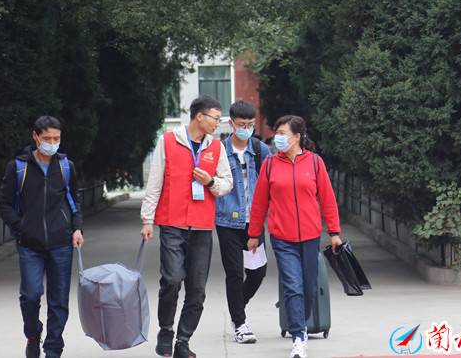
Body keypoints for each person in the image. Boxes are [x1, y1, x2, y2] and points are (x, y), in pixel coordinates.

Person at [140, 95, 233, 358]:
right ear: (199, 116)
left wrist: (210, 181)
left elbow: (227, 184)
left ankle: (183, 340)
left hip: (202, 226)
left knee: (197, 289)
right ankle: (166, 330)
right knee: (171, 280)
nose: (218, 123)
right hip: (172, 223)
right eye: (216, 118)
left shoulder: (217, 147)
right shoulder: (168, 141)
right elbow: (155, 181)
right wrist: (147, 219)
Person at [247, 115, 342, 358]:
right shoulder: (270, 164)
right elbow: (259, 202)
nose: (277, 137)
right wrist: (254, 234)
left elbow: (328, 199)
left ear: (297, 137)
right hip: (282, 238)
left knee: (308, 288)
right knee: (293, 286)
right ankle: (298, 336)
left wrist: (334, 232)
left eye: (282, 133)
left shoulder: (315, 163)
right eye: (276, 132)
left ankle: (300, 324)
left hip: (310, 236)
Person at [0, 115, 84, 358]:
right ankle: (33, 334)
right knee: (30, 295)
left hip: (61, 243)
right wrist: (22, 226)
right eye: (47, 138)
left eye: (56, 138)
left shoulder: (66, 167)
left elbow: (75, 201)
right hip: (29, 245)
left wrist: (77, 229)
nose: (52, 143)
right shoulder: (18, 167)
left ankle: (53, 349)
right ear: (35, 137)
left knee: (59, 301)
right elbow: (3, 204)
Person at [215, 100, 272, 344]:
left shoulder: (261, 150)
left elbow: (271, 183)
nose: (246, 129)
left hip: (254, 222)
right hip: (227, 221)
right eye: (241, 124)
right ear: (231, 123)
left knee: (258, 273)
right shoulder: (218, 151)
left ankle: (237, 306)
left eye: (250, 125)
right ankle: (240, 324)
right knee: (234, 273)